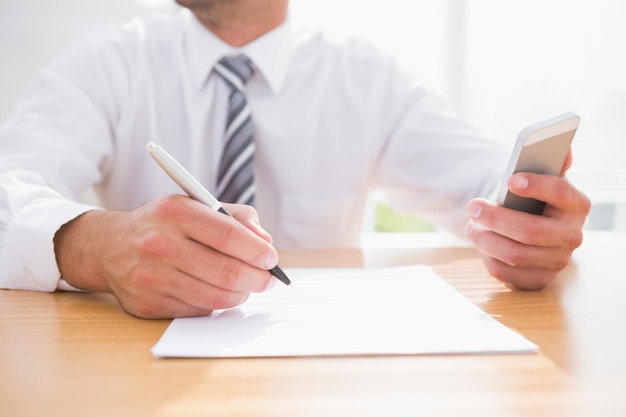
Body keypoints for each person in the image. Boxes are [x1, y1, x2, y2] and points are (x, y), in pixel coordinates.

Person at [0, 0, 590, 319]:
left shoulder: (367, 78)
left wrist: (528, 229)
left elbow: (486, 187)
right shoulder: (110, 62)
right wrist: (97, 246)